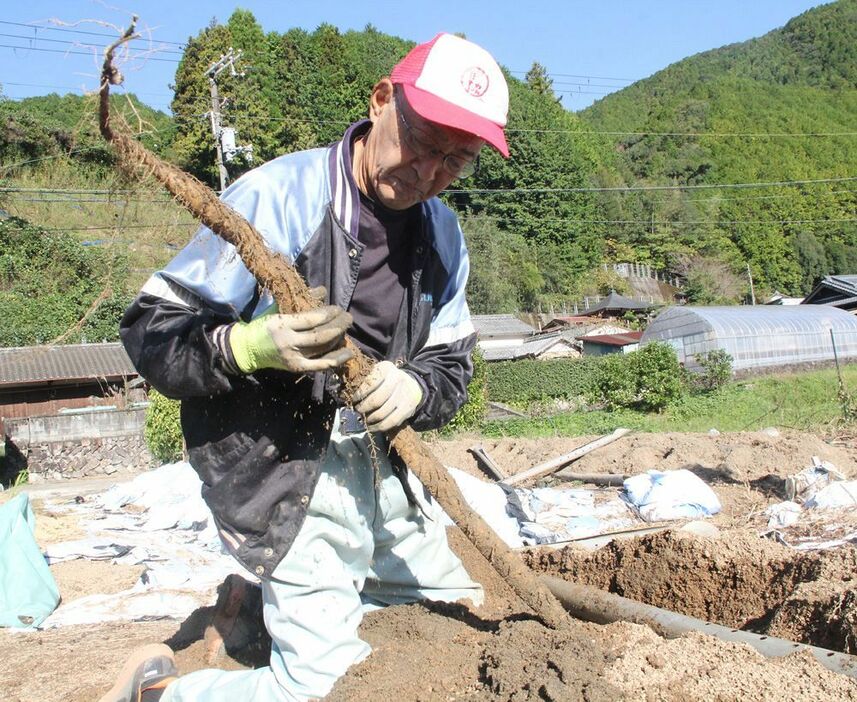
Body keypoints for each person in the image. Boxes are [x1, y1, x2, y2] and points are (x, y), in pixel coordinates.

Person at [103, 32, 510, 702]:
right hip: (280, 463)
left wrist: (413, 387)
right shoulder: (278, 197)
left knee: (455, 628)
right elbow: (152, 330)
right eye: (422, 139)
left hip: (382, 465)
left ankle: (258, 617)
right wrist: (247, 347)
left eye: (454, 161)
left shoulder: (442, 234)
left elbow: (452, 361)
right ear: (382, 100)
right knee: (329, 688)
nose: (429, 170)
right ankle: (160, 695)